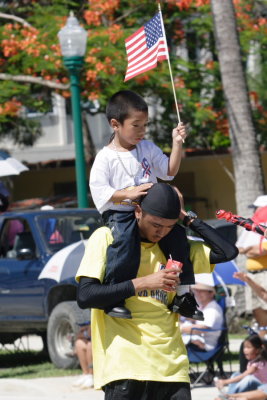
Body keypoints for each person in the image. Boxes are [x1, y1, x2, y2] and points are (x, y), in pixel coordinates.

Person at [76, 183, 238, 399]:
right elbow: (86, 296)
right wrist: (143, 283)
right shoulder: (107, 238)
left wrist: (187, 218)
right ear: (138, 211)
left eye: (170, 226)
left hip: (172, 368)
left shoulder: (176, 247)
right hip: (126, 365)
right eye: (155, 224)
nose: (161, 232)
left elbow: (227, 251)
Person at [89, 89, 203, 321]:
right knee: (124, 241)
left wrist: (177, 143)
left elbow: (169, 172)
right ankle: (115, 297)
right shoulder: (105, 158)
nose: (142, 131)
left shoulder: (147, 148)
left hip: (150, 213)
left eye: (145, 125)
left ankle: (183, 294)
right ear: (115, 124)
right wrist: (129, 194)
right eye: (136, 125)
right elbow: (100, 193)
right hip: (120, 213)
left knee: (179, 237)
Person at [236, 196, 267, 338]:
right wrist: (253, 249)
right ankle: (263, 339)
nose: (254, 211)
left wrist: (253, 250)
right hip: (252, 274)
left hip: (264, 274)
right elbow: (241, 249)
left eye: (257, 207)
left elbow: (262, 250)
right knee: (256, 309)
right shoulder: (253, 226)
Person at [181, 280, 224, 351]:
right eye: (197, 291)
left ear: (211, 293)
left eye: (202, 291)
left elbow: (203, 328)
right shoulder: (204, 306)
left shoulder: (213, 309)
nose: (198, 293)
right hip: (197, 339)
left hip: (204, 344)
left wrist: (180, 329)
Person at [72, 322, 94, 389]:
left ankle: (91, 375)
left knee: (90, 345)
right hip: (89, 337)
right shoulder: (83, 320)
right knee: (79, 343)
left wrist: (87, 331)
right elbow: (79, 335)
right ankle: (86, 374)